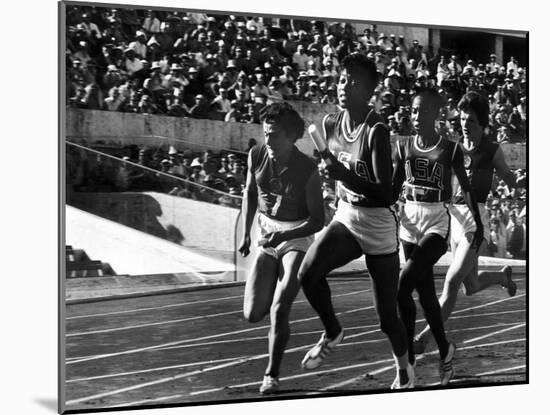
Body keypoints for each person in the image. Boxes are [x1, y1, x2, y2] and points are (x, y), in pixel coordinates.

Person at [297, 53, 413, 389]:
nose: (343, 86)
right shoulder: (332, 123)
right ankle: (333, 332)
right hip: (348, 216)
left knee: (386, 319)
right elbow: (330, 164)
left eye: (352, 82)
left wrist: (342, 173)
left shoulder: (376, 130)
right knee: (309, 272)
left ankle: (404, 370)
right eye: (341, 79)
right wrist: (326, 169)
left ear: (367, 91)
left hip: (378, 224)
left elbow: (385, 194)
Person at [413, 91, 525, 353]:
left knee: (451, 282)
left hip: (476, 222)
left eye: (471, 120)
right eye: (462, 119)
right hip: (453, 220)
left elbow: (510, 179)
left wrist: (520, 182)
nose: (465, 124)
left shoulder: (492, 151)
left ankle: (426, 337)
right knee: (470, 286)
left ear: (482, 124)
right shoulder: (452, 148)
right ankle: (502, 277)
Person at [392, 88, 485, 386]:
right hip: (408, 223)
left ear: (436, 115)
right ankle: (445, 351)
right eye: (414, 111)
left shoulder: (451, 149)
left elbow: (468, 190)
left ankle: (406, 365)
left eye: (423, 111)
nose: (417, 117)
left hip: (435, 224)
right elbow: (393, 188)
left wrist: (479, 225)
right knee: (427, 295)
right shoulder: (402, 146)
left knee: (403, 287)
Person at [238, 102, 324, 394]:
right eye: (266, 134)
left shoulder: (308, 170)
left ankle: (271, 375)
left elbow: (318, 221)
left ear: (291, 138)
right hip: (267, 232)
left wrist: (283, 238)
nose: (268, 141)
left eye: (275, 136)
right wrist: (247, 234)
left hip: (296, 236)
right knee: (252, 313)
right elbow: (250, 192)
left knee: (279, 308)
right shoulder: (256, 154)